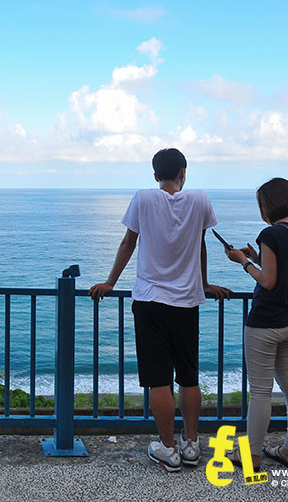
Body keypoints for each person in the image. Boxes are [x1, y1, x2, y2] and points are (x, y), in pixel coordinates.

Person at [89, 148, 230, 472]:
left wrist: (111, 281)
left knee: (158, 380)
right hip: (186, 302)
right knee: (189, 377)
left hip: (150, 301)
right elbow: (200, 245)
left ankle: (168, 449)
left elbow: (128, 243)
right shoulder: (199, 200)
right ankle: (191, 445)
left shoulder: (143, 198)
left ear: (155, 175)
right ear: (184, 171)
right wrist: (203, 284)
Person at [223, 178, 288, 470]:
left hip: (265, 323)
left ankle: (252, 455)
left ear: (267, 205)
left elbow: (268, 281)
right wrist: (259, 257)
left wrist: (244, 262)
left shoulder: (270, 233)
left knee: (260, 392)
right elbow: (287, 271)